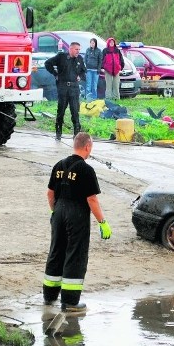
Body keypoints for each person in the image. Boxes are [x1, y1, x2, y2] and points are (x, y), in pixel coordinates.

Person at [43, 132, 111, 312]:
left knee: (56, 251)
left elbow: (50, 194)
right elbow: (92, 200)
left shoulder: (59, 165)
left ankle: (49, 297)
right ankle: (71, 302)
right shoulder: (86, 170)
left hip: (58, 211)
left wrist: (55, 212)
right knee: (75, 254)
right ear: (88, 146)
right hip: (76, 214)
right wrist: (102, 222)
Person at [45, 42, 86, 139]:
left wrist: (80, 76)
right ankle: (58, 133)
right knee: (61, 111)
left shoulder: (79, 59)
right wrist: (55, 74)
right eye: (76, 49)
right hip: (63, 87)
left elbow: (84, 71)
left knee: (75, 111)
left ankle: (76, 134)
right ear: (70, 49)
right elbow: (48, 63)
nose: (78, 52)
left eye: (79, 50)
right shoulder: (61, 57)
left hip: (74, 88)